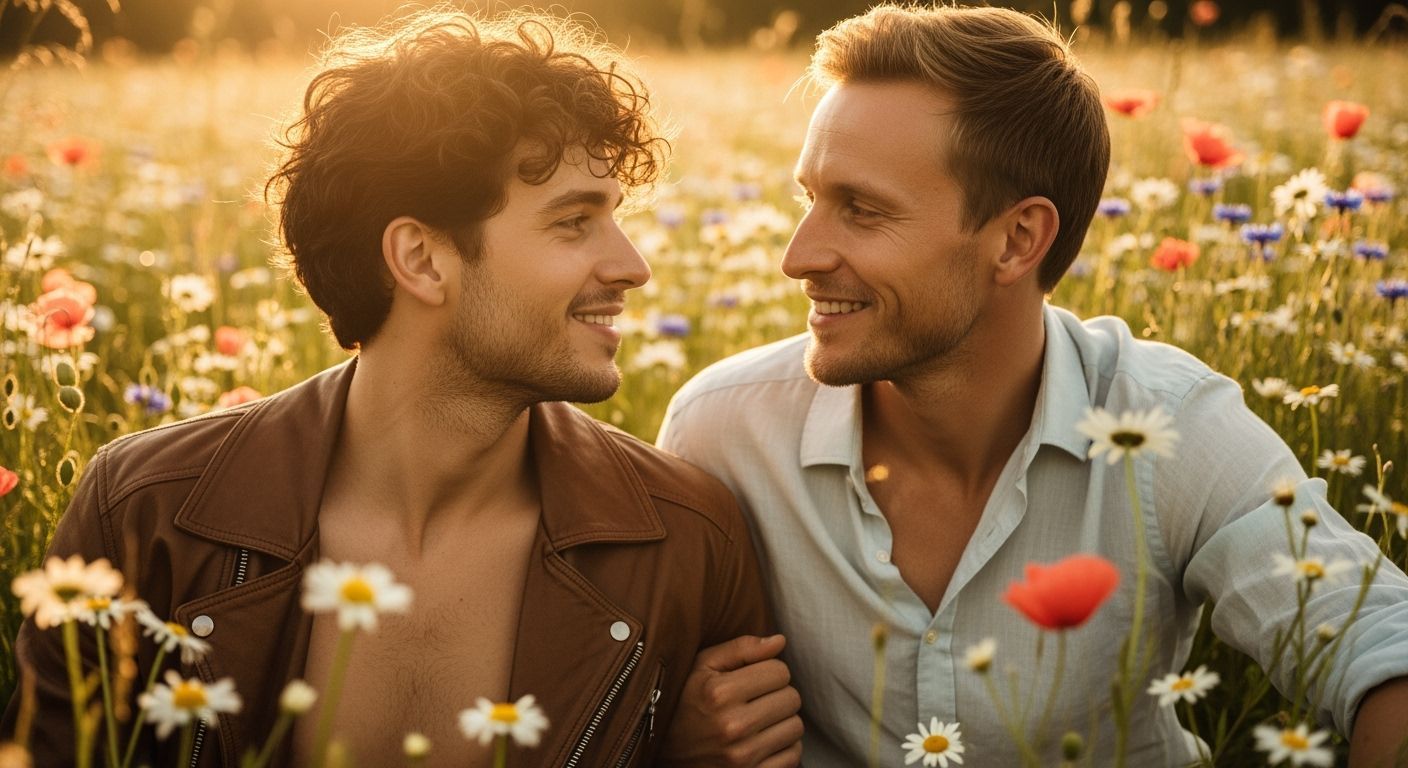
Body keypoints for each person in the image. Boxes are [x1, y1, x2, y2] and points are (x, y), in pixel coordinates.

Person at [3, 10, 772, 767]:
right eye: (574, 222)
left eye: (615, 219)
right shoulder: (147, 513)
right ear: (421, 259)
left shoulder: (687, 539)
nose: (633, 265)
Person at [658, 4, 1408, 766]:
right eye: (807, 198)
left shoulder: (1165, 425)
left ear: (1018, 239)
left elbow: (1386, 651)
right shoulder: (722, 434)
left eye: (861, 210)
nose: (799, 254)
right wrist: (674, 744)